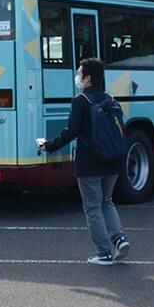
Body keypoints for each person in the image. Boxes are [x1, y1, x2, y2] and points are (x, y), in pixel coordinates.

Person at [39, 57, 131, 265]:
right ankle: (120, 238)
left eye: (79, 73)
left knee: (92, 208)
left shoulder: (80, 100)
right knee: (107, 202)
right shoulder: (110, 99)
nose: (77, 77)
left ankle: (104, 253)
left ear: (88, 78)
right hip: (113, 160)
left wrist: (49, 145)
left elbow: (71, 131)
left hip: (90, 162)